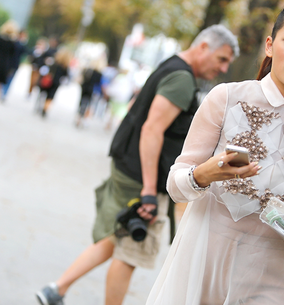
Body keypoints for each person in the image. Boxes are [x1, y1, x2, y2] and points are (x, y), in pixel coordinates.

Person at [146, 2, 284, 305]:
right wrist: (205, 174)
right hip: (205, 256)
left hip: (272, 270)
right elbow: (176, 185)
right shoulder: (226, 98)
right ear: (270, 46)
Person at [36, 24, 239, 305]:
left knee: (116, 237)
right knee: (130, 252)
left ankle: (56, 289)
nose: (224, 68)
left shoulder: (171, 66)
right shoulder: (181, 79)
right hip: (142, 177)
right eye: (222, 59)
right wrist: (148, 191)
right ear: (204, 47)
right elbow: (152, 130)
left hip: (130, 167)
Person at [37, 47, 72, 118]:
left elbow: (46, 69)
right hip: (56, 83)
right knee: (50, 96)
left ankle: (41, 106)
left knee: (43, 93)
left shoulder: (54, 61)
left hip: (49, 80)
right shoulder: (65, 66)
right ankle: (45, 109)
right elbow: (66, 77)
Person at [0, 29, 29, 101]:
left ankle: (4, 93)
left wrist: (23, 43)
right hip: (9, 62)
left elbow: (24, 53)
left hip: (15, 64)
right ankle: (1, 91)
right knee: (4, 77)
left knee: (10, 79)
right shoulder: (14, 41)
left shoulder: (22, 44)